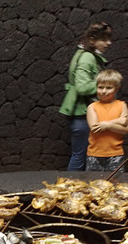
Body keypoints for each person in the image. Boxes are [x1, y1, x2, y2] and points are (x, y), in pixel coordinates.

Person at [59, 22, 113, 171]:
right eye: (104, 39)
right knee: (80, 156)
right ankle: (70, 189)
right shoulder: (87, 57)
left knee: (81, 155)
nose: (109, 43)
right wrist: (106, 84)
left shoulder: (85, 55)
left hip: (83, 114)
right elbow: (82, 87)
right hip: (82, 114)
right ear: (92, 39)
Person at [85, 69, 128, 172]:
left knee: (116, 185)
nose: (104, 91)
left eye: (109, 88)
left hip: (116, 154)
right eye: (100, 87)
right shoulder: (92, 107)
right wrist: (118, 121)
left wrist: (108, 125)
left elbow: (125, 130)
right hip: (94, 154)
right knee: (93, 185)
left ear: (117, 88)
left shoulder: (122, 105)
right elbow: (95, 128)